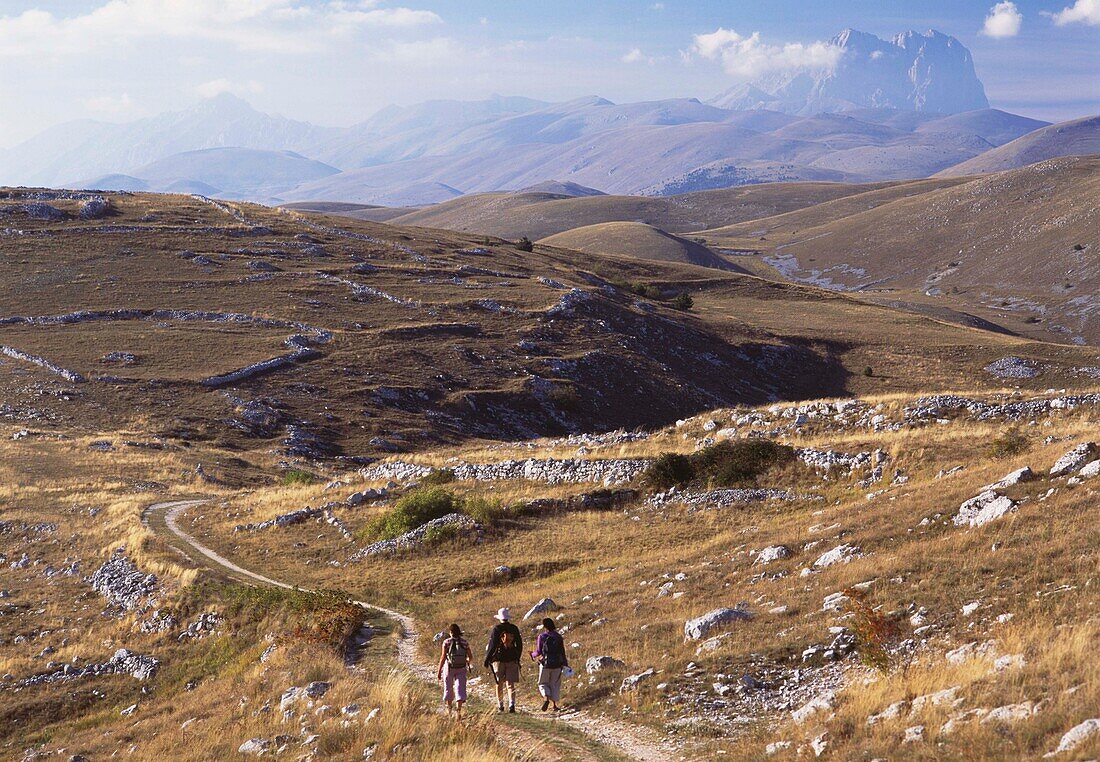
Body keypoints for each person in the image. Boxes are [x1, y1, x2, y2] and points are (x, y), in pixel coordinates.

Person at [484, 607, 522, 713]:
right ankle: (512, 704)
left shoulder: (497, 629)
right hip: (512, 658)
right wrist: (517, 656)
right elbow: (519, 644)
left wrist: (487, 659)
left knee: (499, 682)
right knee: (510, 684)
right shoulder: (514, 628)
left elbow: (492, 645)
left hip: (498, 659)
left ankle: (500, 705)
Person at [531, 617, 568, 712]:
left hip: (545, 664)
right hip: (557, 664)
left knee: (543, 683)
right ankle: (555, 705)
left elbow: (539, 652)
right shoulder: (558, 637)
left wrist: (532, 654)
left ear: (544, 626)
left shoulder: (542, 636)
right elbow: (562, 652)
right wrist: (565, 664)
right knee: (555, 684)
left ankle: (546, 697)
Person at [436, 623, 471, 720]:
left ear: (450, 632)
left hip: (449, 667)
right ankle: (458, 712)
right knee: (460, 688)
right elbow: (470, 656)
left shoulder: (446, 642)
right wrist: (466, 661)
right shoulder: (464, 642)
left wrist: (439, 671)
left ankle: (449, 711)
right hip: (461, 668)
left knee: (448, 687)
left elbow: (443, 657)